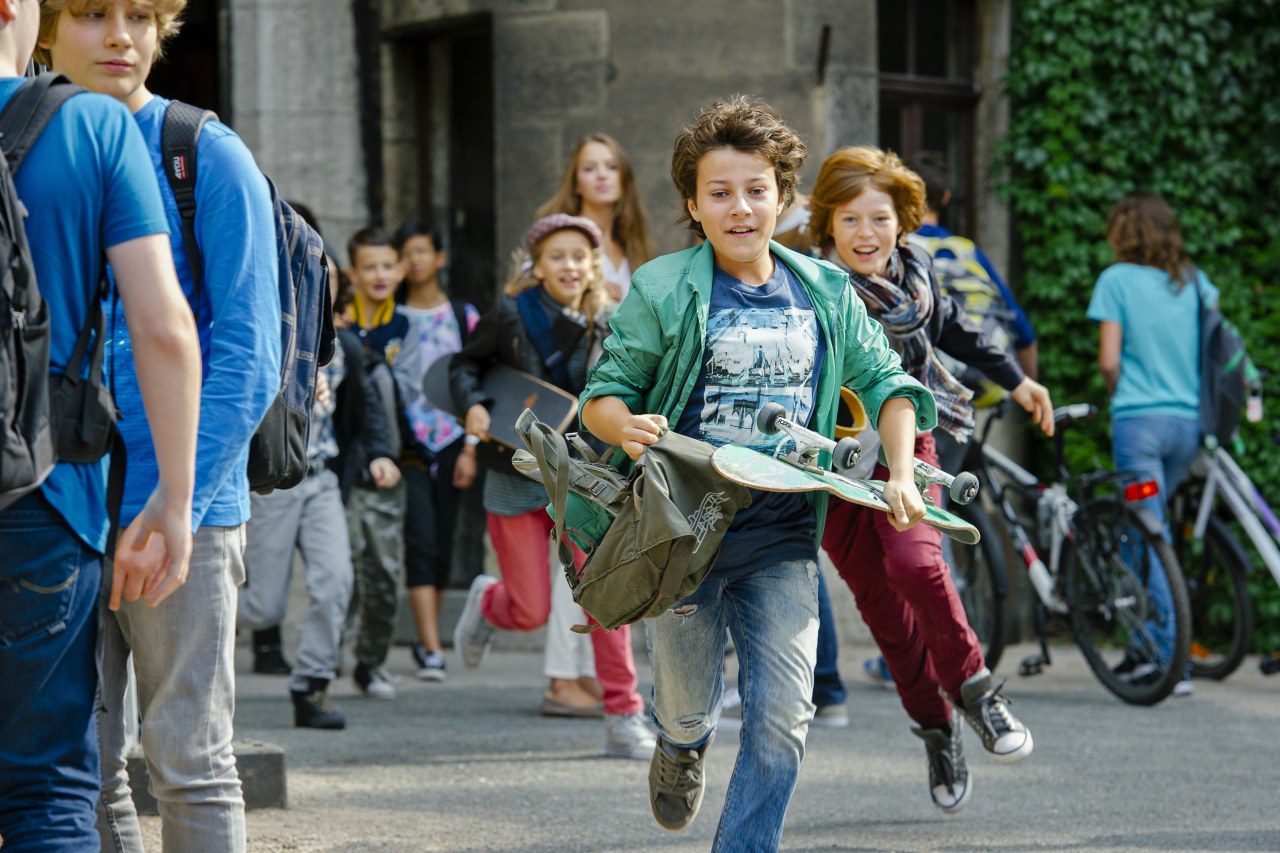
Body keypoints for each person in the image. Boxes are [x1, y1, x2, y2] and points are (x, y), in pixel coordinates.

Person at [579, 96, 935, 850]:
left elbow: (891, 386)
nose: (740, 207)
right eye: (720, 192)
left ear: (784, 197)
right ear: (693, 205)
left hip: (780, 542)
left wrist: (901, 472)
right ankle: (679, 746)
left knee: (781, 726)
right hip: (683, 537)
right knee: (683, 708)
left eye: (756, 189)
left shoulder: (827, 290)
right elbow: (602, 397)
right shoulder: (663, 286)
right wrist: (627, 425)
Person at [39, 3, 283, 850]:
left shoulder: (203, 153)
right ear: (44, 28)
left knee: (189, 760)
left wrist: (176, 500)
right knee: (81, 769)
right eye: (93, 13)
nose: (120, 36)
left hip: (187, 510)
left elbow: (251, 354)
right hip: (59, 505)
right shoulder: (33, 144)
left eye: (140, 16)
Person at [0, 5, 201, 850]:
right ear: (20, 10)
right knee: (48, 785)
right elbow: (164, 329)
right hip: (47, 498)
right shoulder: (91, 125)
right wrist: (172, 500)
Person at [806, 145, 1053, 814]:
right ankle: (936, 729)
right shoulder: (808, 287)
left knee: (917, 564)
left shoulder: (919, 276)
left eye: (879, 218)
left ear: (902, 221)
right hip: (832, 458)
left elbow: (962, 333)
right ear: (827, 224)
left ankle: (975, 690)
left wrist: (1019, 379)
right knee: (881, 603)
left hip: (911, 438)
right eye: (850, 219)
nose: (866, 234)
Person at [449, 213, 655, 760]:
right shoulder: (510, 314)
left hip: (585, 479)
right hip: (517, 476)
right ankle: (488, 602)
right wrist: (471, 403)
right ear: (536, 266)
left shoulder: (611, 321)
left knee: (603, 598)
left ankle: (625, 714)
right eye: (556, 256)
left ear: (594, 265)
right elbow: (464, 367)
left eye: (579, 256)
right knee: (531, 611)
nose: (569, 265)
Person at [861, 151, 1042, 690]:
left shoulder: (911, 255)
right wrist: (1021, 382)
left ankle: (934, 647)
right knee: (932, 518)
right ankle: (940, 647)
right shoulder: (965, 250)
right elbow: (1018, 328)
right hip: (969, 396)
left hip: (921, 400)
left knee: (921, 527)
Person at [238, 249, 401, 729]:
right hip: (274, 482)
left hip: (324, 478)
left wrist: (379, 452)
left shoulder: (344, 345)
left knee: (336, 582)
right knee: (263, 604)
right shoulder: (263, 334)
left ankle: (312, 685)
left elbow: (367, 407)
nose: (312, 289)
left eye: (320, 279)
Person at [1087, 191, 1207, 698]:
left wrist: (1121, 395)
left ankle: (1166, 661)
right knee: (1151, 535)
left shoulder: (1116, 280)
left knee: (1147, 534)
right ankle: (1148, 648)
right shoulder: (1194, 282)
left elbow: (1110, 361)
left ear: (1123, 233)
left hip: (1140, 423)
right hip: (1189, 422)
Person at [390, 218, 478, 682]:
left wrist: (470, 448)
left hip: (451, 442)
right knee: (420, 538)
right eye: (407, 253)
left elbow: (480, 387)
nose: (415, 261)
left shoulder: (464, 317)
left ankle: (429, 640)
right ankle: (428, 645)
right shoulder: (390, 315)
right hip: (406, 443)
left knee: (443, 541)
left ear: (440, 258)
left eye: (423, 251)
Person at [344, 225, 409, 699]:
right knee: (342, 572)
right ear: (352, 273)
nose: (379, 275)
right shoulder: (336, 325)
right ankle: (323, 662)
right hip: (345, 468)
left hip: (392, 467)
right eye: (369, 266)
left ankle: (371, 662)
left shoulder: (407, 326)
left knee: (384, 574)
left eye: (388, 265)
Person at [535, 132, 655, 303]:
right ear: (576, 184)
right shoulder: (556, 234)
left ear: (624, 179)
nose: (602, 175)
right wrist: (587, 288)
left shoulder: (634, 242)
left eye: (612, 167)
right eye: (589, 168)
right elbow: (530, 290)